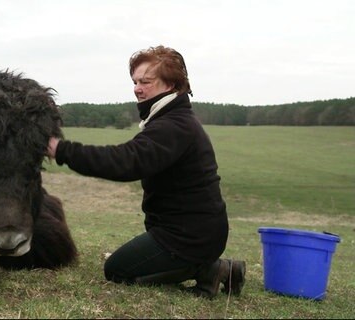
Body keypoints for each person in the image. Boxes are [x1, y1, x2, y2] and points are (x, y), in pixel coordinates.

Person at [46, 45, 246, 298]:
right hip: (189, 232)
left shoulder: (174, 126)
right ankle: (206, 265)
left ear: (171, 85)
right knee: (128, 264)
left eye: (146, 81)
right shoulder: (170, 119)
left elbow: (125, 161)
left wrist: (61, 149)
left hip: (188, 238)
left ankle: (210, 270)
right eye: (135, 81)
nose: (137, 88)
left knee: (117, 270)